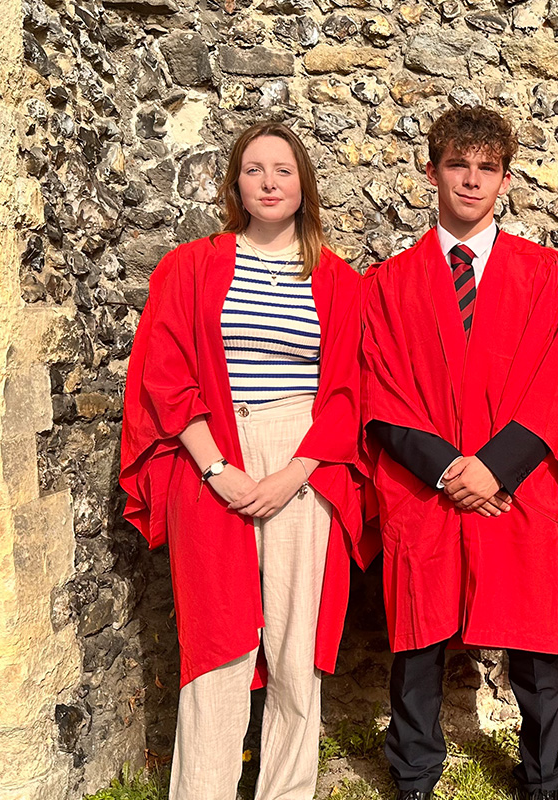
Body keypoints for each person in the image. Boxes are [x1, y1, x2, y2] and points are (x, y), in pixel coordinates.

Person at [120, 121, 371, 799]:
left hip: (304, 459)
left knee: (295, 646)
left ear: (303, 185)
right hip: (212, 453)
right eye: (254, 170)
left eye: (283, 170)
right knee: (218, 642)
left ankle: (286, 791)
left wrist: (295, 472)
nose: (268, 182)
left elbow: (347, 393)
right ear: (235, 184)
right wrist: (216, 469)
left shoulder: (338, 281)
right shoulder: (191, 266)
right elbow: (167, 375)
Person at [361, 106, 558, 800]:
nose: (471, 180)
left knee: (536, 638)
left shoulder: (546, 275)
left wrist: (495, 467)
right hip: (425, 484)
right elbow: (378, 387)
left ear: (506, 179)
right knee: (418, 639)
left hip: (517, 484)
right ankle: (415, 772)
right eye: (458, 165)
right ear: (431, 172)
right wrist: (450, 470)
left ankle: (542, 774)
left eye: (486, 168)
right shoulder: (388, 284)